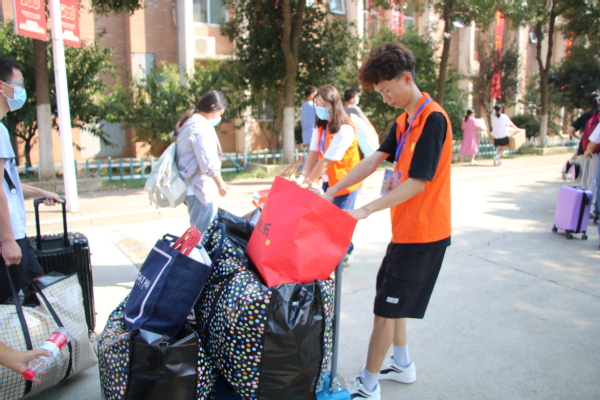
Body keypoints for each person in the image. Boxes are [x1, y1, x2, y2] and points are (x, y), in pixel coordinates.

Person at [323, 42, 452, 400]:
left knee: (384, 309)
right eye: (379, 93)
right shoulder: (404, 121)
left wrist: (365, 209)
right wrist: (334, 189)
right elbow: (373, 160)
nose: (385, 98)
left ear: (406, 79)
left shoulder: (433, 119)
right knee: (390, 297)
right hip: (406, 231)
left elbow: (417, 182)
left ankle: (368, 385)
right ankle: (403, 364)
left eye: (386, 90)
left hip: (425, 235)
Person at [1, 57, 62, 304]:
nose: (21, 91)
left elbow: (9, 183)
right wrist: (7, 240)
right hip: (9, 237)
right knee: (20, 305)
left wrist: (40, 192)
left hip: (13, 235)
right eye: (19, 84)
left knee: (38, 294)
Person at [301, 84, 361, 264]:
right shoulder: (321, 126)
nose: (319, 109)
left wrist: (307, 181)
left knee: (339, 223)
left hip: (345, 185)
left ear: (334, 104)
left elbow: (326, 160)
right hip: (328, 183)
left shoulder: (345, 129)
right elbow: (313, 153)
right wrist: (306, 179)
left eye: (322, 105)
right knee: (329, 222)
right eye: (316, 104)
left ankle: (344, 253)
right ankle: (338, 254)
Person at [175, 90, 229, 233]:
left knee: (200, 232)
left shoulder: (190, 122)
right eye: (219, 114)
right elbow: (207, 160)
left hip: (191, 187)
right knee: (201, 236)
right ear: (212, 108)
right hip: (198, 188)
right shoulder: (200, 127)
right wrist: (221, 184)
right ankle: (193, 255)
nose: (219, 117)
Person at [563, 94, 599, 183]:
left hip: (584, 146)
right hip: (597, 148)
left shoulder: (585, 115)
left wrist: (579, 138)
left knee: (585, 178)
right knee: (595, 178)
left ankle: (586, 195)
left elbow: (570, 130)